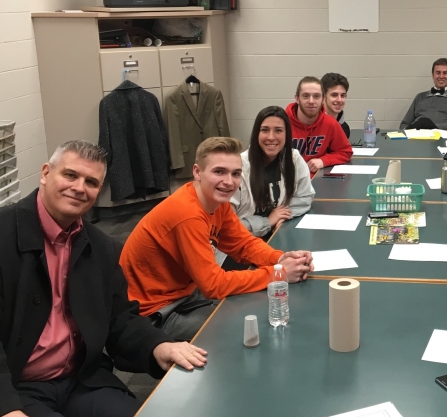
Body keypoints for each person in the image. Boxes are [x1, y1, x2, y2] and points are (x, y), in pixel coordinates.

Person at [0, 140, 206, 417]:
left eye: (91, 182)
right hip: (12, 388)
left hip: (79, 381)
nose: (80, 187)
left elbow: (120, 318)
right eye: (70, 175)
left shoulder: (102, 248)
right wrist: (2, 409)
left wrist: (157, 345)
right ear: (46, 173)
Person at [121, 137, 314, 341]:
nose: (229, 182)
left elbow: (243, 243)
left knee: (257, 307)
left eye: (236, 174)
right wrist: (279, 274)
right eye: (219, 172)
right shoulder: (187, 214)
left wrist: (279, 260)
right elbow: (213, 285)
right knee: (246, 330)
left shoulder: (216, 201)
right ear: (197, 172)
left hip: (185, 292)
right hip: (153, 310)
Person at [233, 106, 315, 238]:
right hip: (243, 242)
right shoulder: (238, 167)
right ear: (256, 134)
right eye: (265, 130)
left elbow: (305, 197)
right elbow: (227, 224)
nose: (271, 137)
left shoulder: (293, 159)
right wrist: (267, 222)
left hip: (277, 234)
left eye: (278, 130)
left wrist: (283, 216)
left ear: (287, 134)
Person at [286, 76, 353, 174]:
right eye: (305, 96)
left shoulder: (330, 123)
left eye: (316, 96)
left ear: (323, 99)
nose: (311, 101)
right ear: (297, 98)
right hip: (288, 179)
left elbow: (345, 152)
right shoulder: (282, 122)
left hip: (316, 180)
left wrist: (323, 161)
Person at [399, 58, 447, 131]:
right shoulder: (420, 97)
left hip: (443, 139)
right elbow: (404, 124)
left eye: (445, 73)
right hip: (417, 138)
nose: (441, 76)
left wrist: (431, 127)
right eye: (438, 73)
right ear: (433, 75)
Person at [321, 72, 351, 139]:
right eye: (334, 95)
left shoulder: (344, 128)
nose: (339, 100)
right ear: (323, 97)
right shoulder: (311, 125)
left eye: (342, 95)